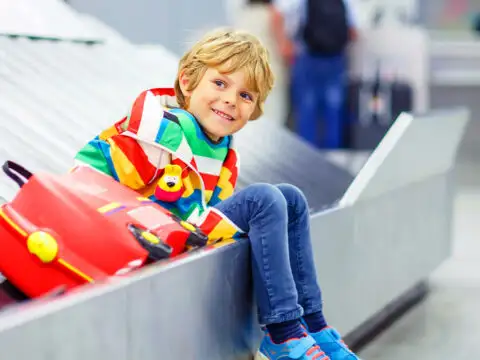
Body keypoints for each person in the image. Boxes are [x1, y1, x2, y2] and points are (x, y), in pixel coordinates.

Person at [74, 29, 360, 360]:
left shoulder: (221, 151)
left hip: (184, 231)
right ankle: (282, 334)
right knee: (263, 199)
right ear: (186, 82)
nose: (230, 100)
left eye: (246, 96)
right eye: (221, 84)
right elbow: (86, 176)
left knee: (291, 199)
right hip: (146, 239)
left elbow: (206, 207)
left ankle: (312, 325)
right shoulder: (156, 135)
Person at [269, 0, 358, 149]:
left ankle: (307, 154)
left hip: (308, 55)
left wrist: (284, 43)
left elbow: (277, 13)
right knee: (333, 108)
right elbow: (354, 32)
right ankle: (333, 155)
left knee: (306, 107)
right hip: (336, 58)